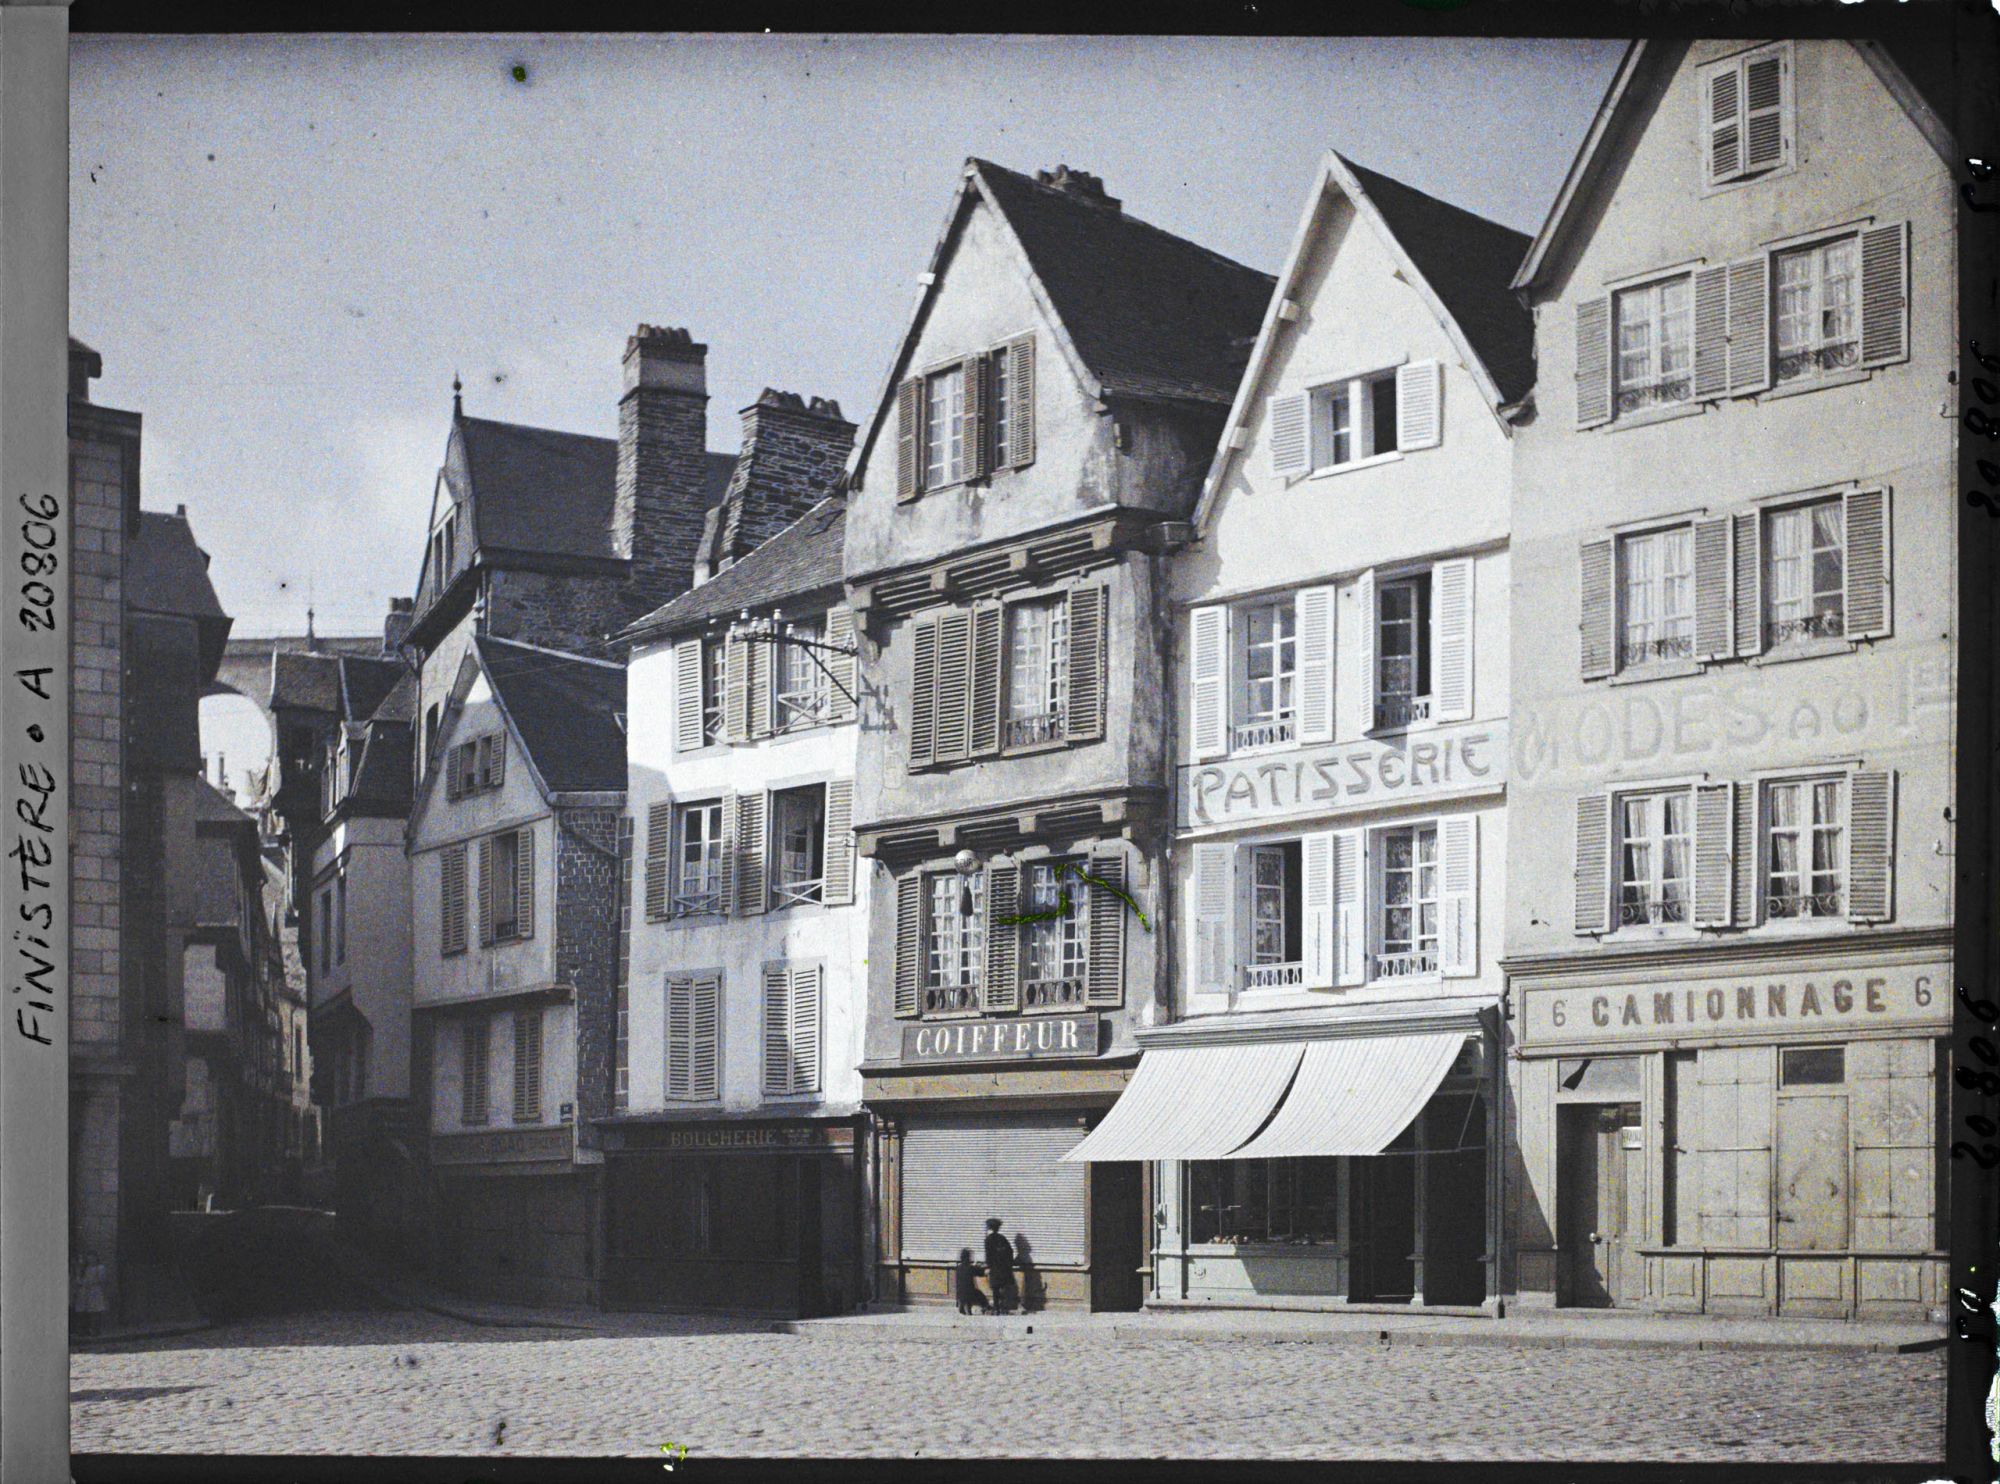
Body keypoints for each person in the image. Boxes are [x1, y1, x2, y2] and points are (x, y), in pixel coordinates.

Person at [983, 1218, 1018, 1315]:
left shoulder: (988, 1239)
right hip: (1004, 1267)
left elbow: (988, 1255)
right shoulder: (1002, 1238)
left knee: (995, 1289)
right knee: (1003, 1288)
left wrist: (988, 1266)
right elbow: (1010, 1251)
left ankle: (997, 1308)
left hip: (994, 1267)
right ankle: (1003, 1307)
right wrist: (1009, 1263)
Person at [954, 1248, 990, 1315]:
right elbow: (982, 1273)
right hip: (970, 1292)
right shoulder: (971, 1268)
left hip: (959, 1293)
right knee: (981, 1295)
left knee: (967, 1295)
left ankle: (962, 1306)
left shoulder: (958, 1268)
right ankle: (985, 1307)